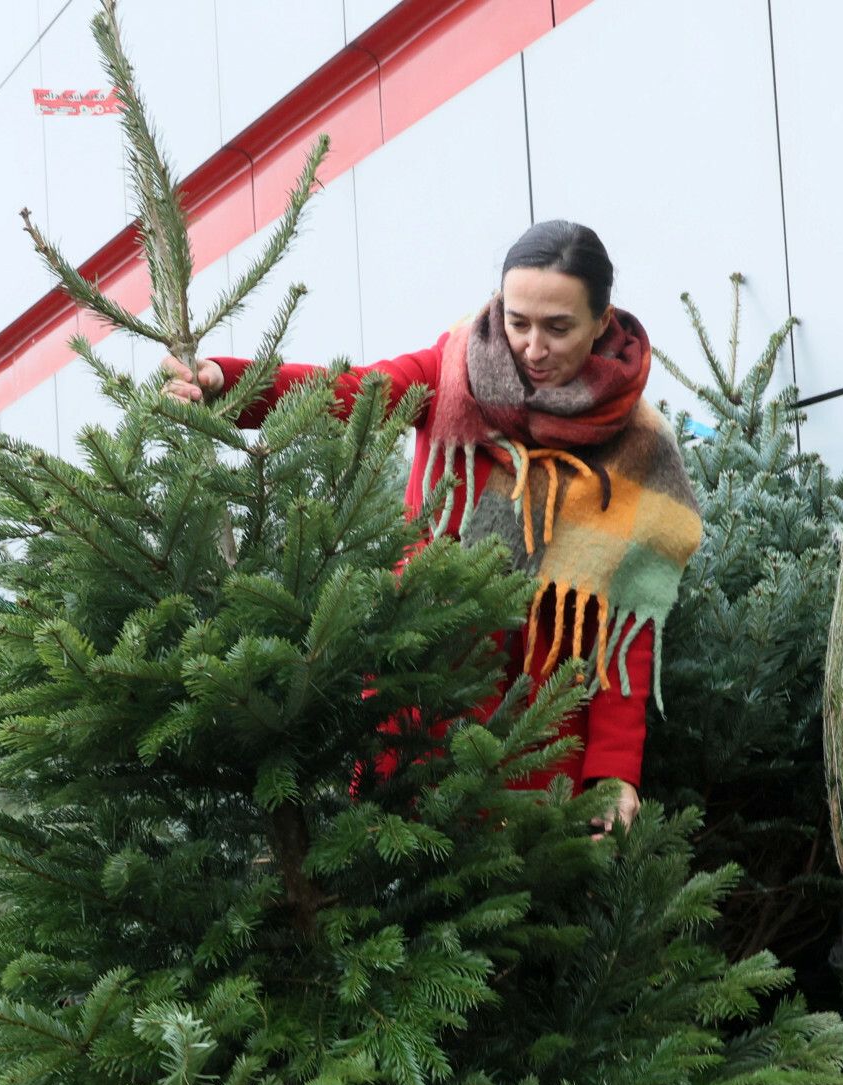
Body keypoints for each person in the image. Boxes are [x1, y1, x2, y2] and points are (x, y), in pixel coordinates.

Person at [163, 220, 701, 834]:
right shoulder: (453, 370)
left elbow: (623, 633)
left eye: (558, 327)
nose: (532, 346)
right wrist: (232, 383)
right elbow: (356, 391)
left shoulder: (640, 450)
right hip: (420, 697)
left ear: (602, 323)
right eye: (518, 321)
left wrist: (614, 774)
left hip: (543, 736)